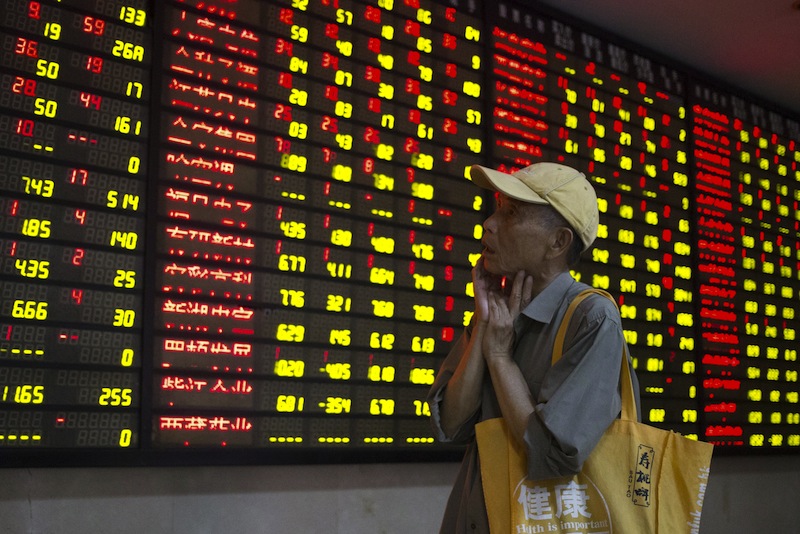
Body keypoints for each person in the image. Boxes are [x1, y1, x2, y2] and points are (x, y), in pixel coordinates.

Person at [427, 161, 640, 533]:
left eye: (511, 213)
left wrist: (498, 357)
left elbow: (552, 456)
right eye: (497, 208)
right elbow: (450, 425)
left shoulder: (593, 318)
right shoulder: (496, 308)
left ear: (558, 242)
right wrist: (483, 326)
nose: (489, 223)